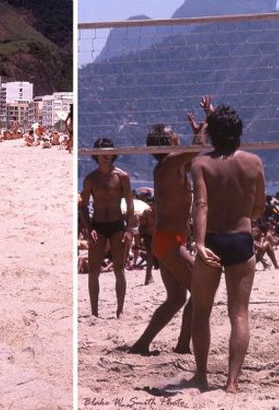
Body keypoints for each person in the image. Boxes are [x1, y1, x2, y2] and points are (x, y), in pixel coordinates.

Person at [189, 105, 265, 393]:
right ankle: (232, 382)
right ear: (239, 133)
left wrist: (198, 243)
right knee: (240, 313)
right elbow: (258, 207)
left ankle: (201, 375)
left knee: (201, 312)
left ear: (211, 134)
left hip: (211, 241)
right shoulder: (254, 162)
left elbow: (201, 204)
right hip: (241, 241)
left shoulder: (201, 164)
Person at [130, 123, 202, 355]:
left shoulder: (176, 166)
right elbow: (195, 149)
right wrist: (205, 125)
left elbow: (194, 152)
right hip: (170, 241)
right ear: (166, 143)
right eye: (173, 136)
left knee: (176, 299)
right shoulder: (168, 164)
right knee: (201, 290)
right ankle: (182, 345)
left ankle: (142, 344)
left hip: (169, 240)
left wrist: (199, 131)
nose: (177, 137)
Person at [80, 137, 134, 318]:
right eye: (102, 152)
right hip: (98, 225)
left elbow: (130, 204)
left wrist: (129, 229)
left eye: (109, 152)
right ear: (96, 154)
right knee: (94, 270)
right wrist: (89, 229)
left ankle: (120, 310)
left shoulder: (122, 176)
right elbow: (83, 206)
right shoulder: (90, 179)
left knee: (119, 269)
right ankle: (94, 312)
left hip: (117, 224)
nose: (106, 156)